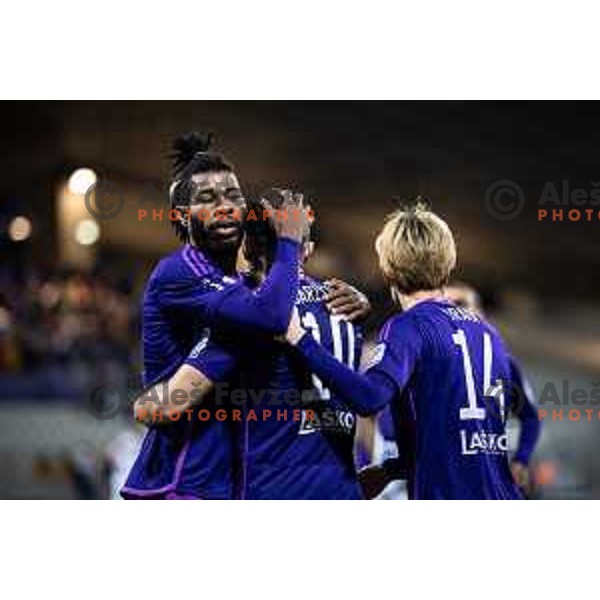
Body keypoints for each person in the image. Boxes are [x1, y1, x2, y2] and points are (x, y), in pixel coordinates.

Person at [123, 133, 368, 499]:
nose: (224, 206)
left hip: (236, 476)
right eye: (207, 198)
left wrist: (359, 302)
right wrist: (289, 242)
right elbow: (159, 406)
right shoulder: (180, 272)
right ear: (181, 216)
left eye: (233, 196)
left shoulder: (244, 285)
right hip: (184, 477)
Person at [285, 198, 524, 500]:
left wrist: (301, 340)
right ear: (448, 264)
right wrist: (391, 470)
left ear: (387, 271)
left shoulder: (407, 327)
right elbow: (463, 436)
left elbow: (369, 398)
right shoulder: (486, 332)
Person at [444, 282, 541, 493]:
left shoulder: (503, 362)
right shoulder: (428, 361)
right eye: (446, 305)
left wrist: (521, 459)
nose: (453, 312)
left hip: (487, 481)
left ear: (480, 312)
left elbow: (530, 417)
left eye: (460, 304)